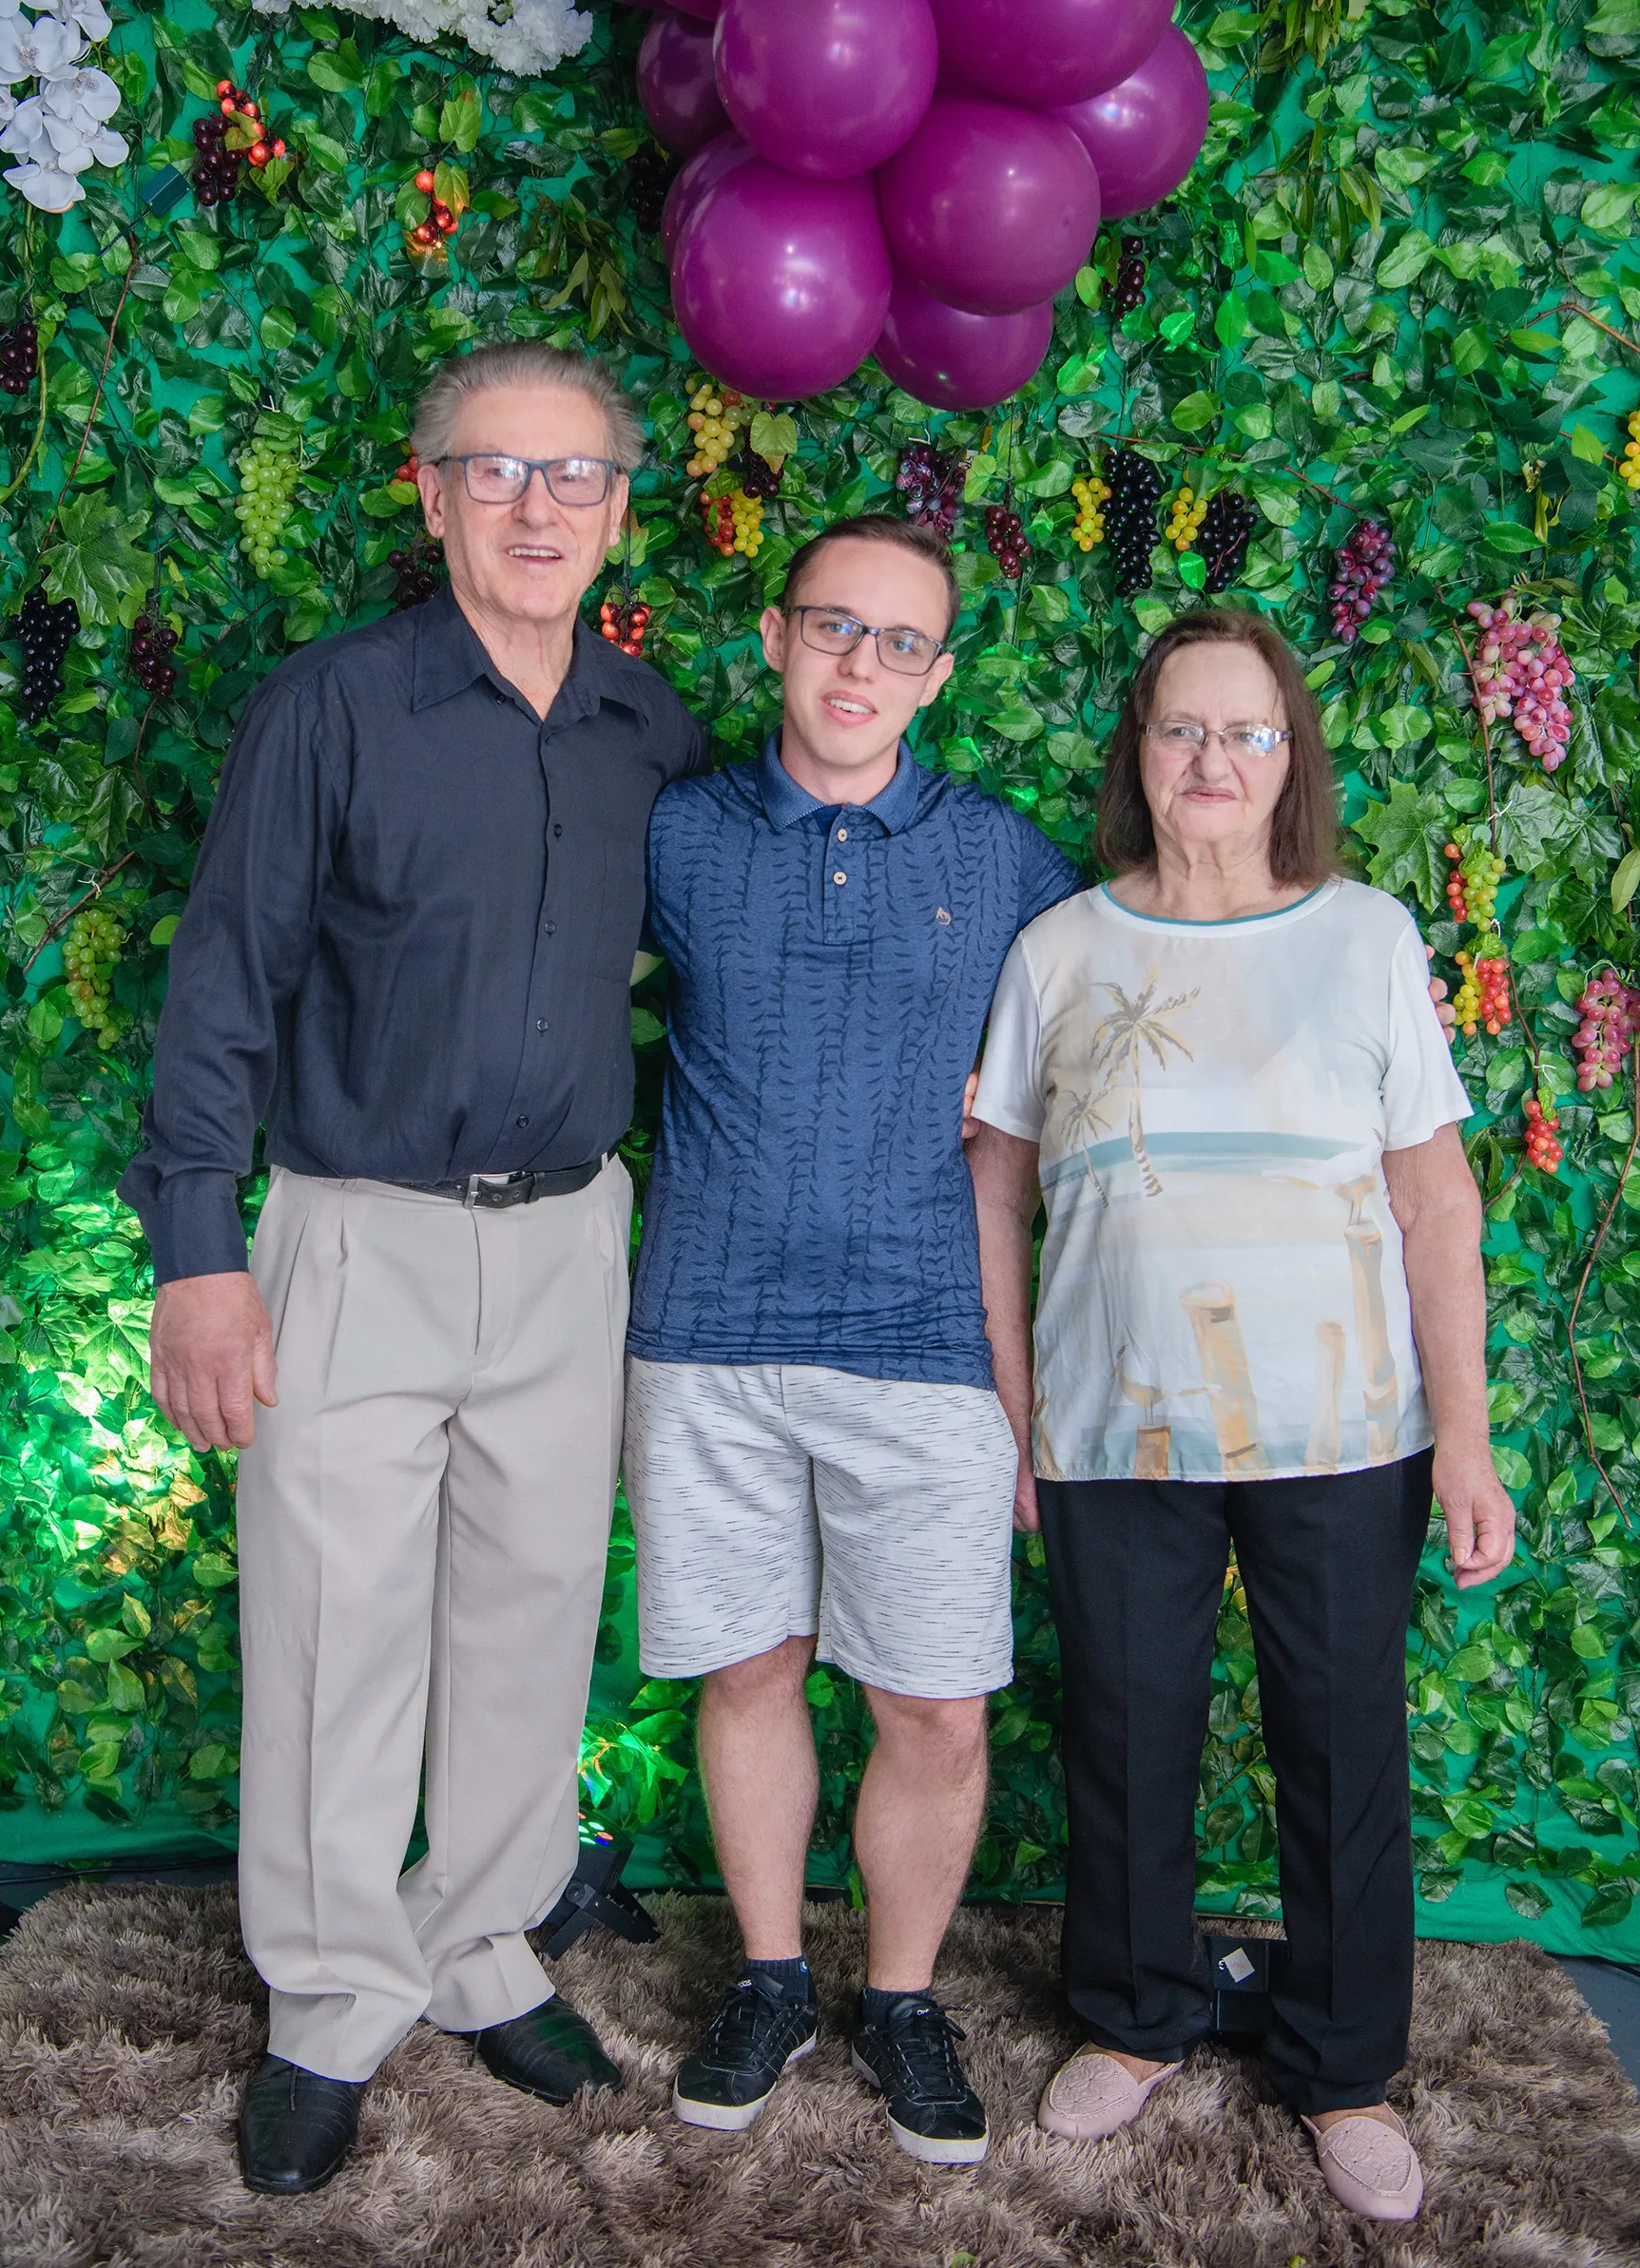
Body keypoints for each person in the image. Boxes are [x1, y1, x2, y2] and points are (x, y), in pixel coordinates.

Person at [120, 340, 705, 2197]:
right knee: (330, 1618)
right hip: (353, 1231)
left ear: (620, 508)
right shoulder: (334, 704)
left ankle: (481, 1940)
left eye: (574, 477)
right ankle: (330, 1995)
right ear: (430, 489)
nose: (537, 509)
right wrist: (199, 1257)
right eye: (496, 471)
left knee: (532, 1617)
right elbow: (225, 977)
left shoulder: (655, 735)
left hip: (568, 1240)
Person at [968, 606, 1515, 2222]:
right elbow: (996, 1191)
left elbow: (1437, 1207)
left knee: (1340, 1744)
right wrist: (1018, 1414)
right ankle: (1136, 2017)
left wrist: (1467, 1437)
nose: (1213, 760)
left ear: (1291, 760)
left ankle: (1344, 2061)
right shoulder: (1060, 950)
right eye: (1183, 730)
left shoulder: (1366, 938)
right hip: (1111, 1427)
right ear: (1140, 753)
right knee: (1123, 1730)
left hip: (1350, 1429)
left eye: (1247, 732)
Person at [621, 516, 1083, 2162]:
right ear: (772, 637)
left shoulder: (1007, 857)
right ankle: (764, 1977)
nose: (859, 666)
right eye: (833, 628)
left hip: (923, 1336)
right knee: (749, 1668)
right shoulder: (673, 831)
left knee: (933, 1705)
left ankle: (897, 1994)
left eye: (899, 643)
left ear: (939, 674)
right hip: (706, 1329)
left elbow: (1078, 1058)